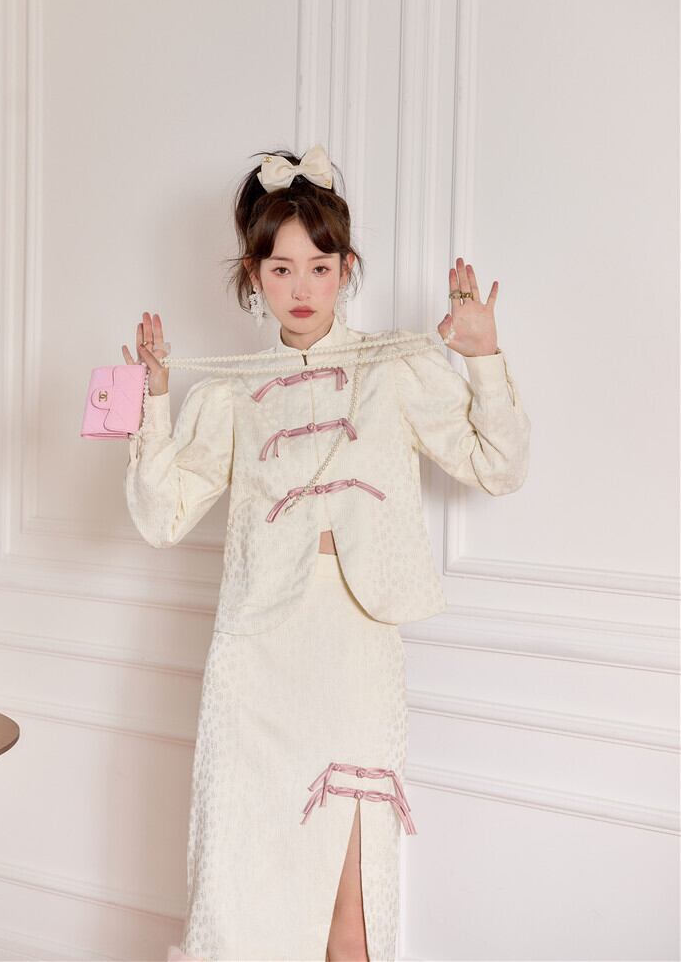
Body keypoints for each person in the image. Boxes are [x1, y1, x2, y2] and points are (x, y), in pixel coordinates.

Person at [121, 144, 531, 962]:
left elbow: (500, 465)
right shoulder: (230, 389)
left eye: (319, 265)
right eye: (281, 268)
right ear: (253, 274)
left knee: (353, 919)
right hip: (254, 661)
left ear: (346, 267)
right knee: (240, 904)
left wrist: (483, 356)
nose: (301, 287)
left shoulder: (396, 366)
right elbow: (161, 516)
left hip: (354, 651)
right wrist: (154, 401)